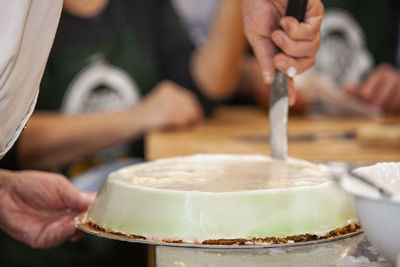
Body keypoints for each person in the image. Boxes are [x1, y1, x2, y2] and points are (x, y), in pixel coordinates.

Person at [0, 0, 323, 251]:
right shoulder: (25, 17)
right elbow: (12, 139)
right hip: (38, 241)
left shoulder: (141, 6)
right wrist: (135, 118)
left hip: (133, 231)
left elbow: (203, 86)